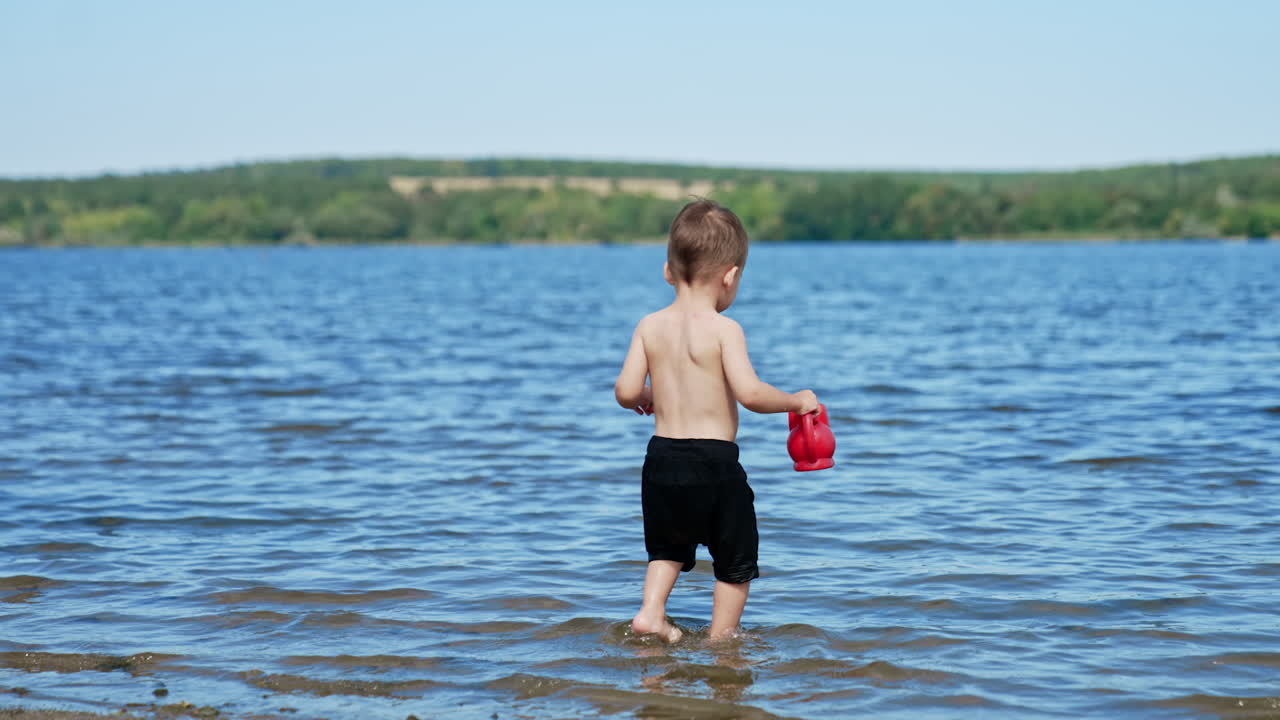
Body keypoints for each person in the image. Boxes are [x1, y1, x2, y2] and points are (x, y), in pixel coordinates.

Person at [614, 199, 821, 643]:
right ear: (730, 276)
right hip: (715, 462)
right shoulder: (726, 330)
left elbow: (626, 392)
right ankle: (722, 640)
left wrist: (652, 396)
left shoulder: (649, 326)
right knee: (736, 555)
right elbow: (749, 393)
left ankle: (651, 612)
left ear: (668, 271)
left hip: (662, 459)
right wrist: (796, 401)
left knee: (666, 546)